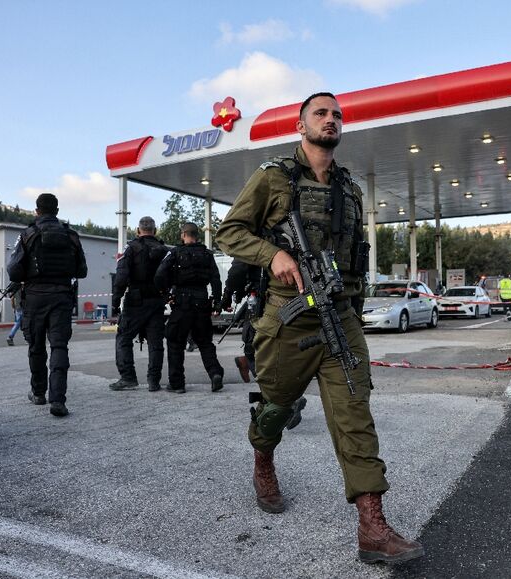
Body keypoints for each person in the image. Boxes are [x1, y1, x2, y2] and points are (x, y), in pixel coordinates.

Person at [216, 92, 423, 564]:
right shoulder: (273, 178)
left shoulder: (349, 189)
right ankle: (263, 458)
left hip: (340, 316)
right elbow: (230, 231)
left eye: (337, 115)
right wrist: (275, 255)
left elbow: (357, 253)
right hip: (289, 316)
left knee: (355, 413)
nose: (331, 120)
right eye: (321, 114)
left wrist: (354, 301)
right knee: (275, 406)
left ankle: (372, 525)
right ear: (301, 125)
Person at [7, 193, 88, 417]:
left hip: (34, 297)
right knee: (59, 346)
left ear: (37, 211)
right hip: (62, 296)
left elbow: (14, 269)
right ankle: (58, 401)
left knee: (36, 347)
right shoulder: (71, 236)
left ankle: (39, 393)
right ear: (57, 211)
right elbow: (82, 270)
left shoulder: (27, 235)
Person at [222, 258, 307, 427]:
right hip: (292, 302)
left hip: (263, 304)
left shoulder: (255, 238)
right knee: (279, 353)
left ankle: (286, 403)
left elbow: (237, 271)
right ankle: (289, 398)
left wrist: (227, 296)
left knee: (253, 349)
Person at [154, 222, 224, 394]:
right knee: (205, 342)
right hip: (202, 302)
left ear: (183, 235)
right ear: (197, 235)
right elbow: (216, 279)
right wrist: (216, 301)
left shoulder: (175, 253)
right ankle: (215, 373)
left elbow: (159, 274)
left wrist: (166, 295)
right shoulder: (208, 254)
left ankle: (177, 384)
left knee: (175, 342)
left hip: (182, 303)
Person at [110, 216, 168, 392]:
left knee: (123, 338)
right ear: (155, 230)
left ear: (138, 230)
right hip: (157, 301)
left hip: (135, 302)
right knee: (155, 342)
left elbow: (121, 277)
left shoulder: (131, 248)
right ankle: (154, 381)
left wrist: (115, 301)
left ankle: (128, 377)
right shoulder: (164, 250)